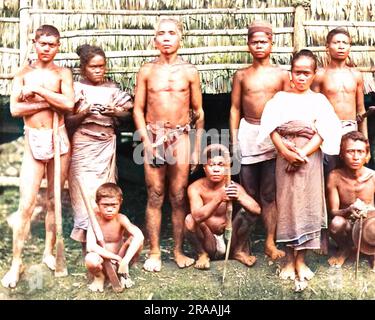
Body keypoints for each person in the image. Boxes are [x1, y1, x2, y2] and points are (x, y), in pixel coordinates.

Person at [257, 49, 342, 282]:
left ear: (314, 74)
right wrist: (285, 151)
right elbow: (270, 128)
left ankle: (301, 261)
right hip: (284, 156)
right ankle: (287, 261)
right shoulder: (280, 99)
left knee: (307, 205)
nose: (302, 77)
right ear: (291, 73)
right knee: (287, 204)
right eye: (298, 73)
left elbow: (325, 130)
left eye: (307, 73)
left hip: (310, 158)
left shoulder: (319, 101)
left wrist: (302, 154)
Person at [1, 25, 75, 288]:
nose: (46, 48)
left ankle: (48, 252)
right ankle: (16, 262)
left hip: (59, 137)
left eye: (52, 44)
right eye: (42, 43)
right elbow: (14, 108)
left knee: (55, 200)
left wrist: (40, 93)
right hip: (34, 139)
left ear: (58, 46)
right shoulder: (23, 73)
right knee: (26, 205)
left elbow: (68, 104)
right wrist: (49, 102)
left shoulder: (62, 73)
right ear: (34, 43)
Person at [133, 17, 204, 272]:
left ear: (179, 38)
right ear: (155, 40)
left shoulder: (190, 72)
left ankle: (177, 250)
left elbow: (199, 112)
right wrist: (146, 141)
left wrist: (197, 147)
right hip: (153, 135)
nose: (166, 37)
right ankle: (154, 252)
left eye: (171, 33)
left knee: (178, 196)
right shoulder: (146, 71)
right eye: (161, 33)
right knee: (155, 195)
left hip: (181, 137)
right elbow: (138, 110)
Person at [229, 21, 290, 260]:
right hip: (248, 131)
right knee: (247, 191)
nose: (259, 46)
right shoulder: (241, 75)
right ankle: (242, 245)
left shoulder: (282, 75)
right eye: (255, 42)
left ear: (271, 44)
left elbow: (287, 107)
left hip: (273, 135)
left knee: (269, 193)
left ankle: (269, 242)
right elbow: (235, 108)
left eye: (264, 41)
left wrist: (285, 140)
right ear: (248, 46)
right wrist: (234, 140)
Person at [66, 44, 132, 249]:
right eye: (93, 66)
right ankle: (89, 246)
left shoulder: (112, 88)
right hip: (83, 147)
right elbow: (67, 122)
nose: (98, 70)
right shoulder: (75, 89)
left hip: (105, 147)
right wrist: (84, 113)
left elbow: (128, 116)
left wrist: (115, 112)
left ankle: (105, 243)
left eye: (101, 66)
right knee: (84, 195)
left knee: (105, 193)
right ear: (83, 68)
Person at [185, 144, 261, 269]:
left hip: (230, 239)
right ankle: (202, 254)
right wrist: (219, 198)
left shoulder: (233, 186)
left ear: (227, 168)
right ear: (205, 168)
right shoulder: (195, 188)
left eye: (221, 165)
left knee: (248, 212)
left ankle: (238, 251)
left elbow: (257, 210)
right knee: (189, 219)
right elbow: (197, 217)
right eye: (211, 165)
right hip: (209, 241)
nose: (216, 169)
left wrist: (239, 197)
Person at [311, 27, 367, 173]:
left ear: (349, 47)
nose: (341, 46)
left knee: (350, 173)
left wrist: (364, 141)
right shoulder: (320, 75)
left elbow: (361, 111)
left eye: (345, 43)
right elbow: (312, 110)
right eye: (336, 42)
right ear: (327, 47)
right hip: (327, 129)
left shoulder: (355, 75)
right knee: (329, 171)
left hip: (351, 128)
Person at [327, 131, 375, 268]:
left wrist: (369, 212)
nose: (355, 157)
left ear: (366, 155)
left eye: (360, 152)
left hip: (370, 223)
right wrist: (348, 210)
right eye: (350, 151)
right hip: (348, 221)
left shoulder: (373, 177)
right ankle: (345, 248)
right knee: (336, 224)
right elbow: (333, 212)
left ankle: (372, 253)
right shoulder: (334, 176)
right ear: (342, 155)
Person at [85, 183, 144, 292]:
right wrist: (114, 257)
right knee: (90, 259)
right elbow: (91, 246)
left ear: (120, 202)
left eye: (114, 205)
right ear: (97, 203)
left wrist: (124, 261)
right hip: (102, 260)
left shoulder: (121, 219)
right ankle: (99, 277)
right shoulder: (94, 219)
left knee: (135, 241)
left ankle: (124, 273)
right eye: (105, 205)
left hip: (120, 259)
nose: (109, 209)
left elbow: (139, 236)